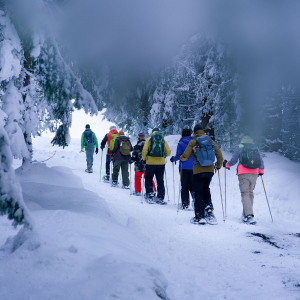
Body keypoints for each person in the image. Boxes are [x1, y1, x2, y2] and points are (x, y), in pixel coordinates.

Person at [180, 123, 223, 225]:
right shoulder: (210, 141)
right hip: (210, 171)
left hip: (198, 171)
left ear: (195, 132)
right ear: (202, 131)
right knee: (206, 189)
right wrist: (218, 166)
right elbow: (219, 155)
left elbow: (186, 156)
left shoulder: (193, 142)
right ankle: (209, 212)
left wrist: (181, 158)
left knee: (198, 192)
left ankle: (199, 216)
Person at [223, 133, 264, 225]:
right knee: (250, 193)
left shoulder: (240, 146)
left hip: (243, 173)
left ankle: (249, 216)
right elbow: (261, 161)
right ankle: (245, 214)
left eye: (239, 139)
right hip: (254, 173)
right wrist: (261, 171)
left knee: (245, 193)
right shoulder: (255, 147)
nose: (238, 140)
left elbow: (234, 160)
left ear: (241, 139)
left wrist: (226, 165)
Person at [142, 128, 171, 205]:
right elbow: (168, 152)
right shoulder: (163, 140)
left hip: (150, 163)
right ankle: (160, 197)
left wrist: (144, 159)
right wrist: (163, 156)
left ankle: (150, 195)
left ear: (152, 133)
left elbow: (144, 150)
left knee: (148, 178)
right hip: (161, 163)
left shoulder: (149, 139)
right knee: (160, 180)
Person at [170, 125, 194, 210]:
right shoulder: (194, 142)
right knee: (192, 185)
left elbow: (178, 156)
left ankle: (185, 204)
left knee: (184, 185)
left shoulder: (180, 143)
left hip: (183, 167)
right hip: (193, 167)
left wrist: (172, 159)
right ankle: (195, 201)